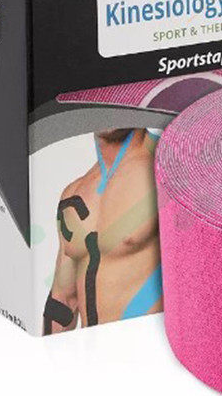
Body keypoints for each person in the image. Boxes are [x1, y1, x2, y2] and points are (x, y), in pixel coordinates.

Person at [43, 128, 162, 333]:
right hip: (92, 351)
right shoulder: (73, 194)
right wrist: (45, 352)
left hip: (148, 347)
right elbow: (62, 300)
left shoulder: (167, 169)